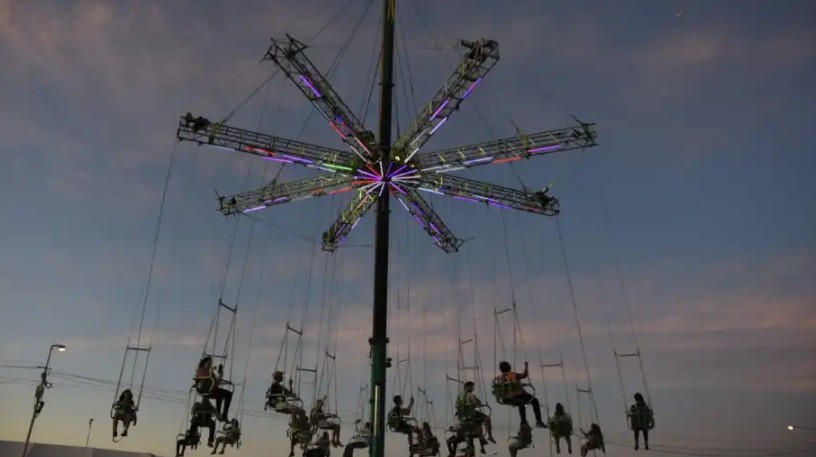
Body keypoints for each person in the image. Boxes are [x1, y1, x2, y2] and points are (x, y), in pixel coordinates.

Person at [493, 361, 546, 427]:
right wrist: (526, 366)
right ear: (509, 367)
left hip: (505, 399)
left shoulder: (499, 377)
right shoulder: (513, 374)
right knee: (535, 401)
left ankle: (523, 422)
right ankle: (538, 421)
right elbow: (524, 375)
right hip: (517, 396)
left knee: (521, 404)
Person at [194, 356, 233, 421]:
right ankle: (223, 414)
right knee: (226, 394)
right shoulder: (200, 370)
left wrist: (220, 374)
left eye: (210, 363)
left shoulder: (211, 373)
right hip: (206, 389)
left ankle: (221, 414)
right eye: (208, 363)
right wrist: (211, 371)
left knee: (226, 394)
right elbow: (203, 377)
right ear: (204, 363)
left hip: (212, 389)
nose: (209, 364)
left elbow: (215, 383)